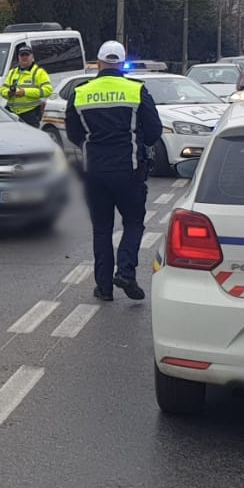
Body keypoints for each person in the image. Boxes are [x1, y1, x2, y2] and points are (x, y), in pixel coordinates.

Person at [65, 40, 162, 302]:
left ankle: (104, 287)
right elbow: (154, 131)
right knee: (133, 222)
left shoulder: (81, 91)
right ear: (122, 64)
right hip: (128, 170)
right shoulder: (136, 90)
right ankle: (126, 272)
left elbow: (74, 133)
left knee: (102, 229)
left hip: (94, 171)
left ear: (98, 63)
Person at [1, 45, 52, 127]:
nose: (24, 57)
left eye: (27, 55)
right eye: (22, 55)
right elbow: (2, 89)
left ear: (32, 57)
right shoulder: (12, 72)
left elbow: (47, 91)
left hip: (30, 114)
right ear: (18, 57)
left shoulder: (39, 72)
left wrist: (25, 92)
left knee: (30, 138)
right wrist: (9, 93)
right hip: (12, 114)